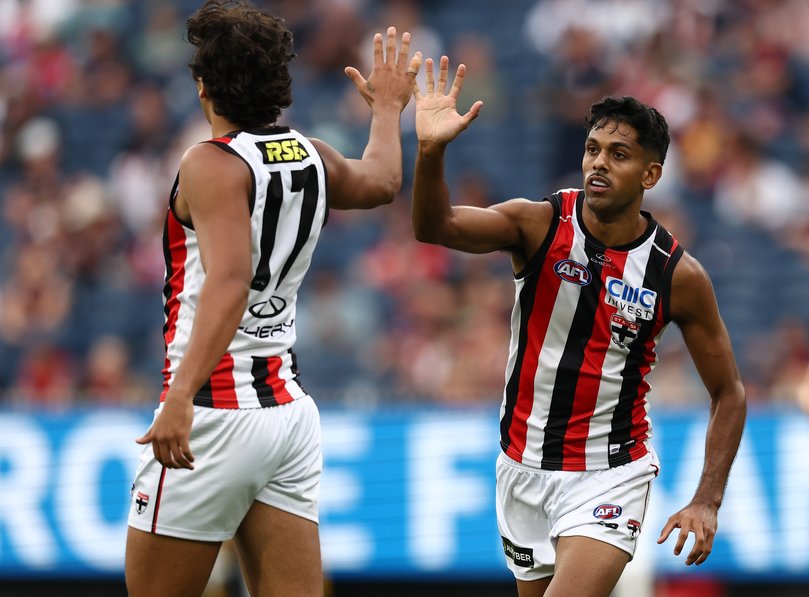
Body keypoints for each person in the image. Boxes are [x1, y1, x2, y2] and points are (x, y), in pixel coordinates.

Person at [411, 56, 746, 597]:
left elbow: (728, 393)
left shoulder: (677, 275)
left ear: (651, 174)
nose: (599, 163)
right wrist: (431, 150)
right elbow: (435, 225)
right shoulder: (537, 223)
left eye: (619, 155)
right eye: (593, 149)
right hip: (520, 466)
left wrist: (707, 498)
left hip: (608, 473)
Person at [125, 2, 420, 596]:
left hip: (212, 411)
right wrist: (388, 110)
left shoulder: (209, 163)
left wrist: (179, 396)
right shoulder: (311, 152)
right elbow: (384, 181)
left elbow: (231, 280)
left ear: (204, 85)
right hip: (286, 413)